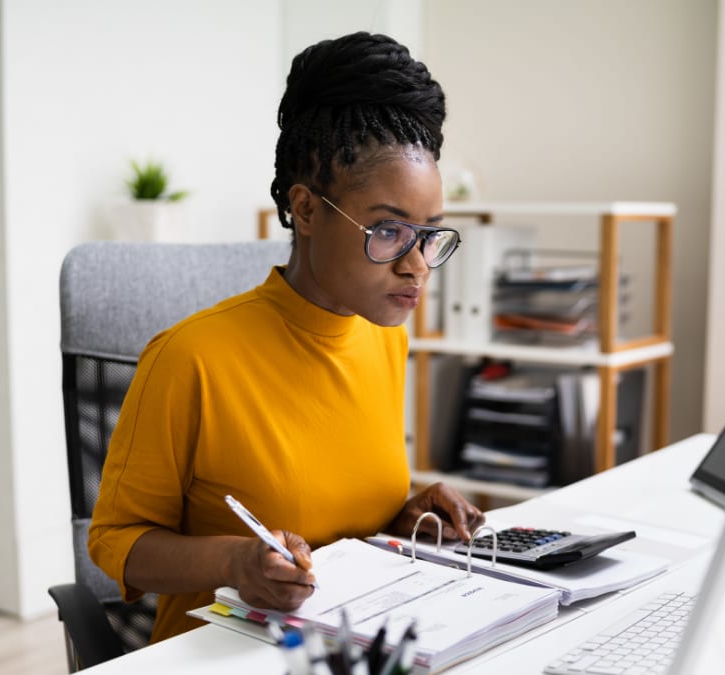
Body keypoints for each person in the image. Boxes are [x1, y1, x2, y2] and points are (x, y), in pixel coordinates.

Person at [88, 31, 486, 644]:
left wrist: (406, 514)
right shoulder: (190, 357)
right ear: (305, 209)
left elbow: (339, 507)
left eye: (430, 235)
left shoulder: (384, 336)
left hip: (346, 642)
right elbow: (114, 542)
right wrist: (233, 563)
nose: (417, 266)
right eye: (387, 232)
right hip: (221, 651)